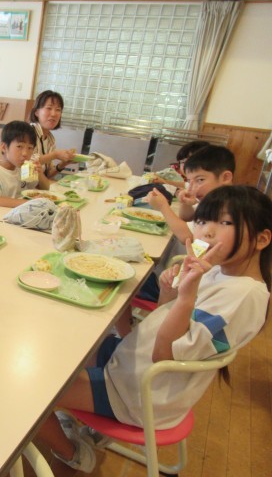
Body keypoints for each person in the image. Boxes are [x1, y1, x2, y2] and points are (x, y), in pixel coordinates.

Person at [36, 185, 272, 473]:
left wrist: (185, 298)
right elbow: (166, 324)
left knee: (36, 392)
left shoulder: (245, 296)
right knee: (70, 339)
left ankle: (74, 453)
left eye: (224, 222)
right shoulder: (220, 273)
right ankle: (92, 428)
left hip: (139, 393)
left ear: (262, 239)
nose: (206, 232)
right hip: (133, 366)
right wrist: (170, 295)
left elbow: (164, 354)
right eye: (201, 220)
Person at [134, 144, 236, 305]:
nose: (192, 188)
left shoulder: (224, 208)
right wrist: (186, 203)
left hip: (175, 281)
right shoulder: (214, 199)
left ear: (225, 177)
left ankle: (126, 322)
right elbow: (186, 218)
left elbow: (187, 237)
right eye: (189, 182)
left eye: (200, 180)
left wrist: (163, 206)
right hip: (176, 272)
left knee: (128, 277)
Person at [0, 120, 49, 210]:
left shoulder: (22, 168)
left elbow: (45, 188)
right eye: (19, 146)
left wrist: (40, 174)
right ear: (4, 147)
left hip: (19, 213)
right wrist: (26, 203)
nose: (25, 153)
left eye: (30, 148)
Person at [28, 90, 76, 179]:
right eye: (49, 108)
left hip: (37, 186)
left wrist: (63, 164)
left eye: (58, 110)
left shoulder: (50, 139)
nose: (53, 114)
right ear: (36, 112)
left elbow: (47, 175)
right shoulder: (27, 132)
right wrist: (55, 155)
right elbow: (26, 164)